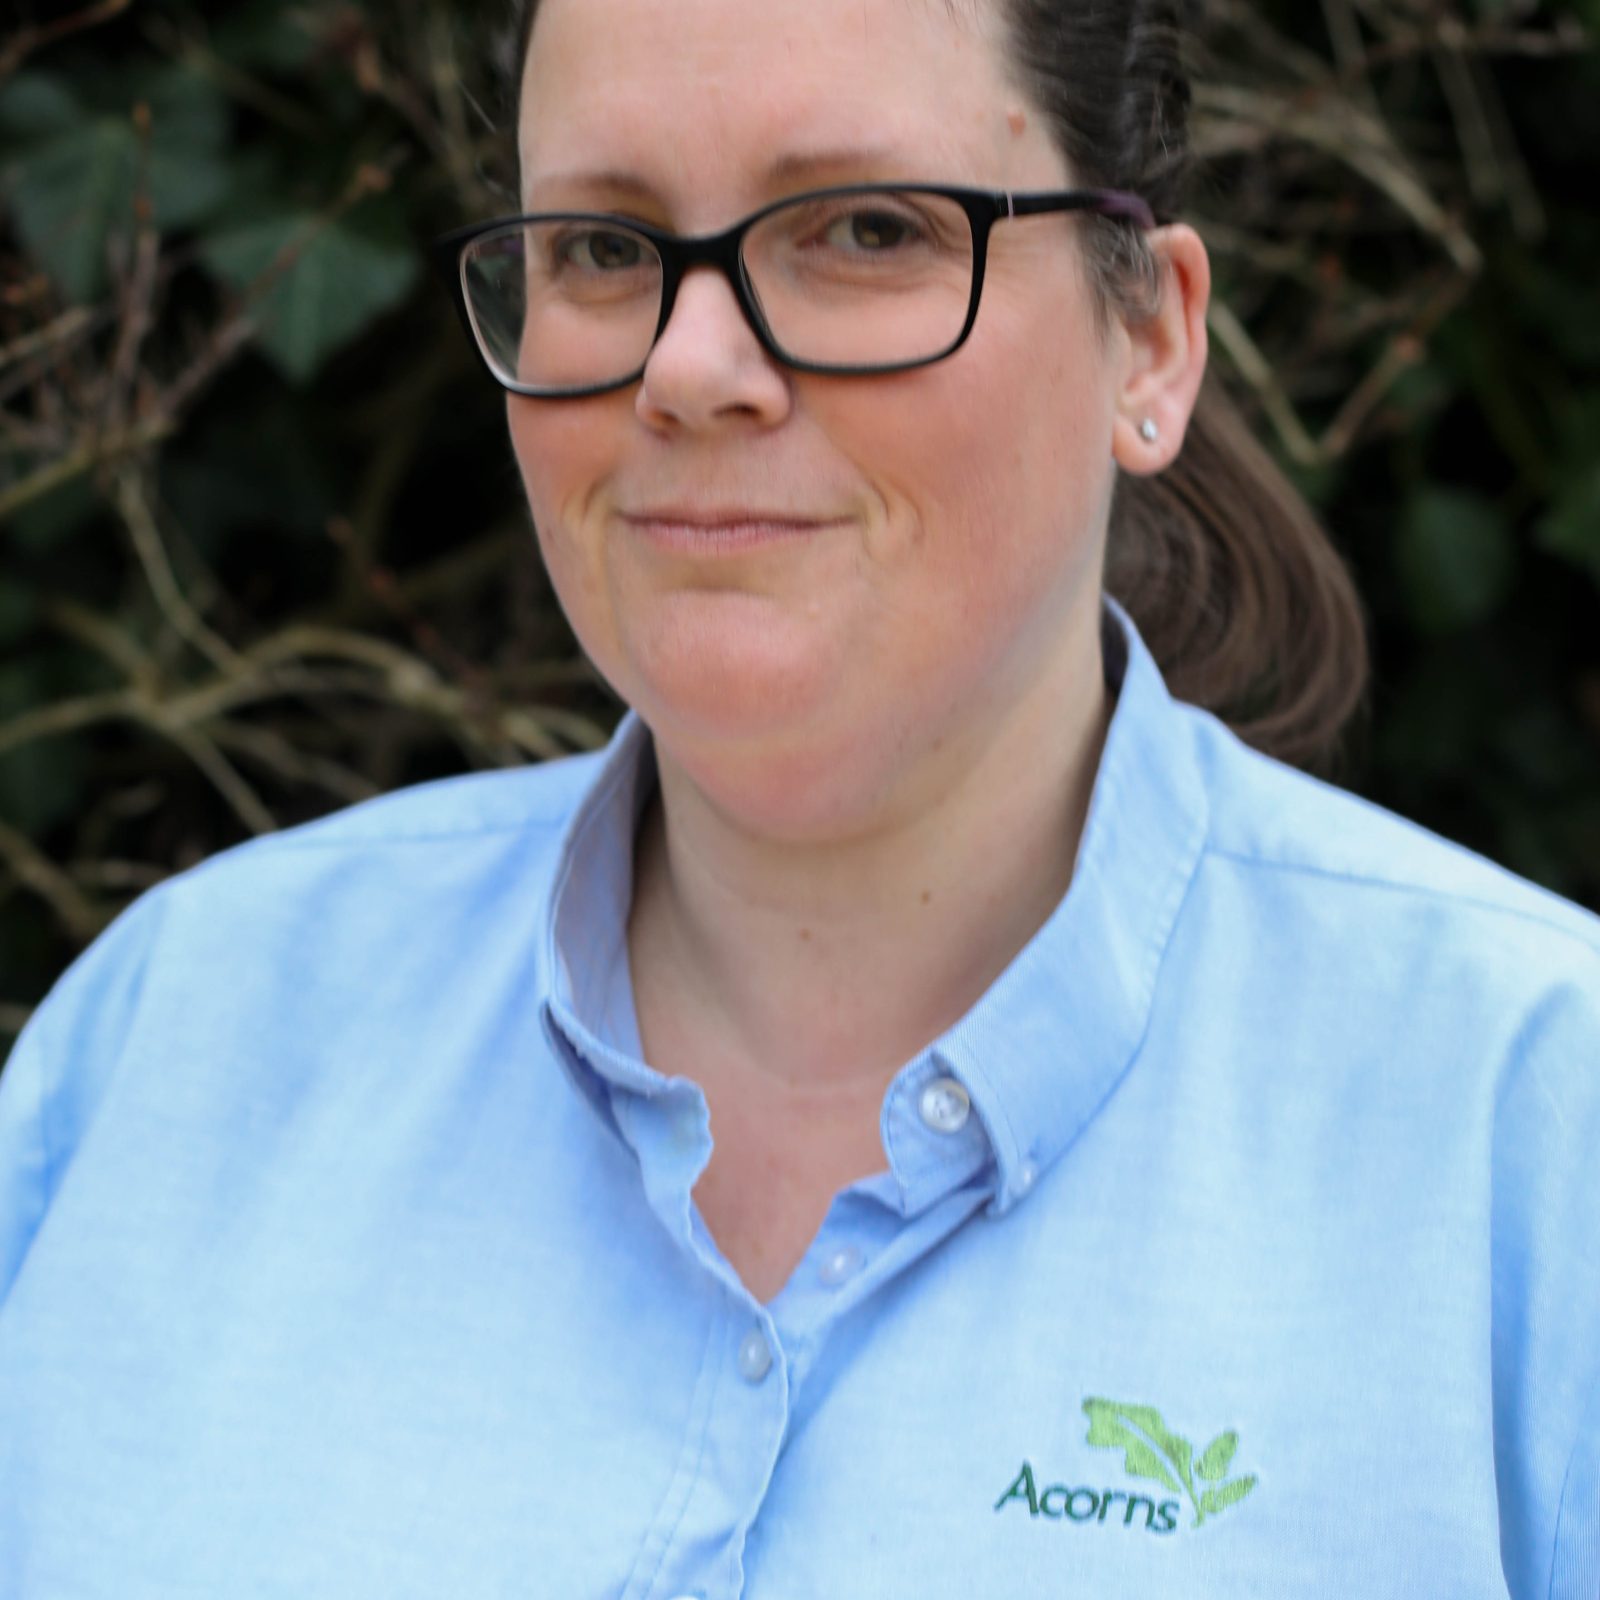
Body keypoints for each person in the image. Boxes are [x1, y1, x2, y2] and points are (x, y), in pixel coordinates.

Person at [0, 0, 1595, 1591]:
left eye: (867, 228)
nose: (690, 369)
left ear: (1153, 342)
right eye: (605, 248)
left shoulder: (1531, 1126)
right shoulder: (168, 1048)